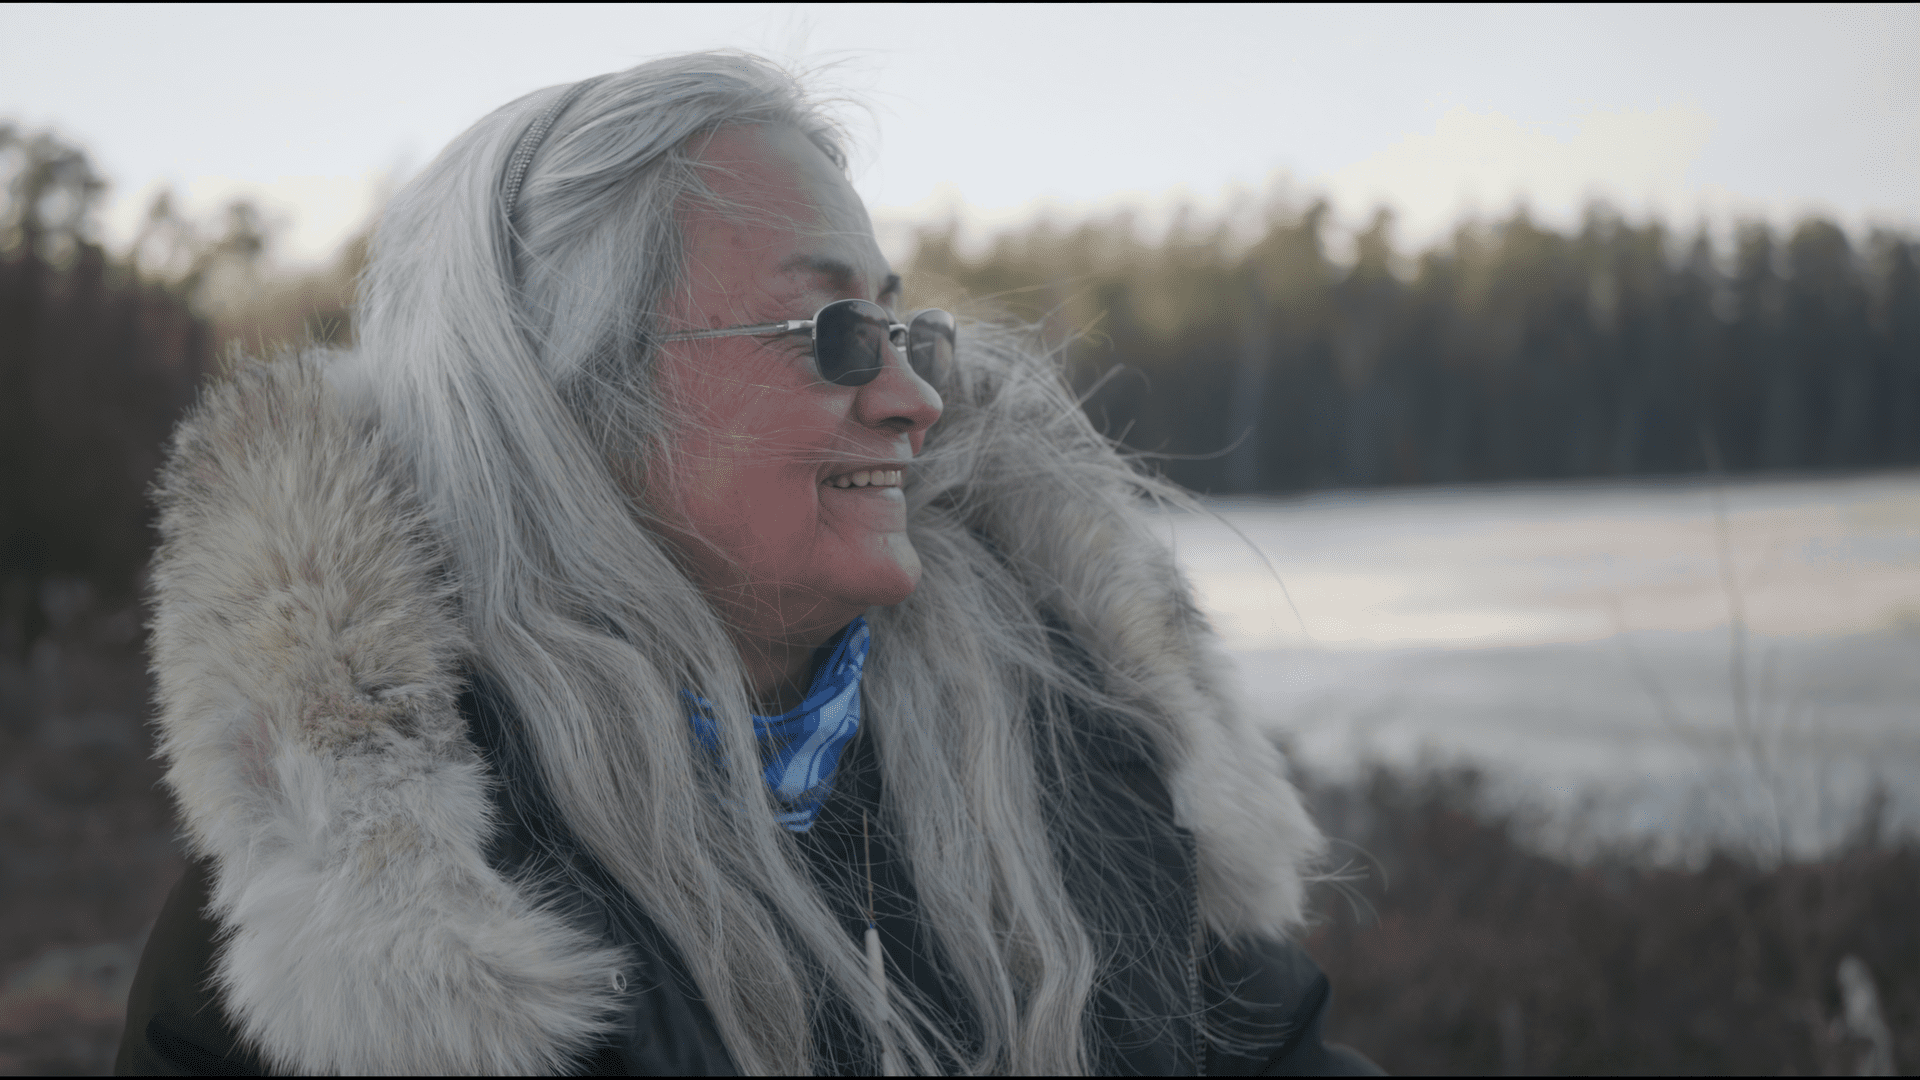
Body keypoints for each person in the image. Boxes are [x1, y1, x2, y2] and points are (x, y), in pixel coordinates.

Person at [115, 52, 1379, 1076]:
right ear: (573, 402)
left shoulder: (1074, 752)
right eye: (830, 330)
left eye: (898, 327)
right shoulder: (361, 932)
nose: (909, 401)